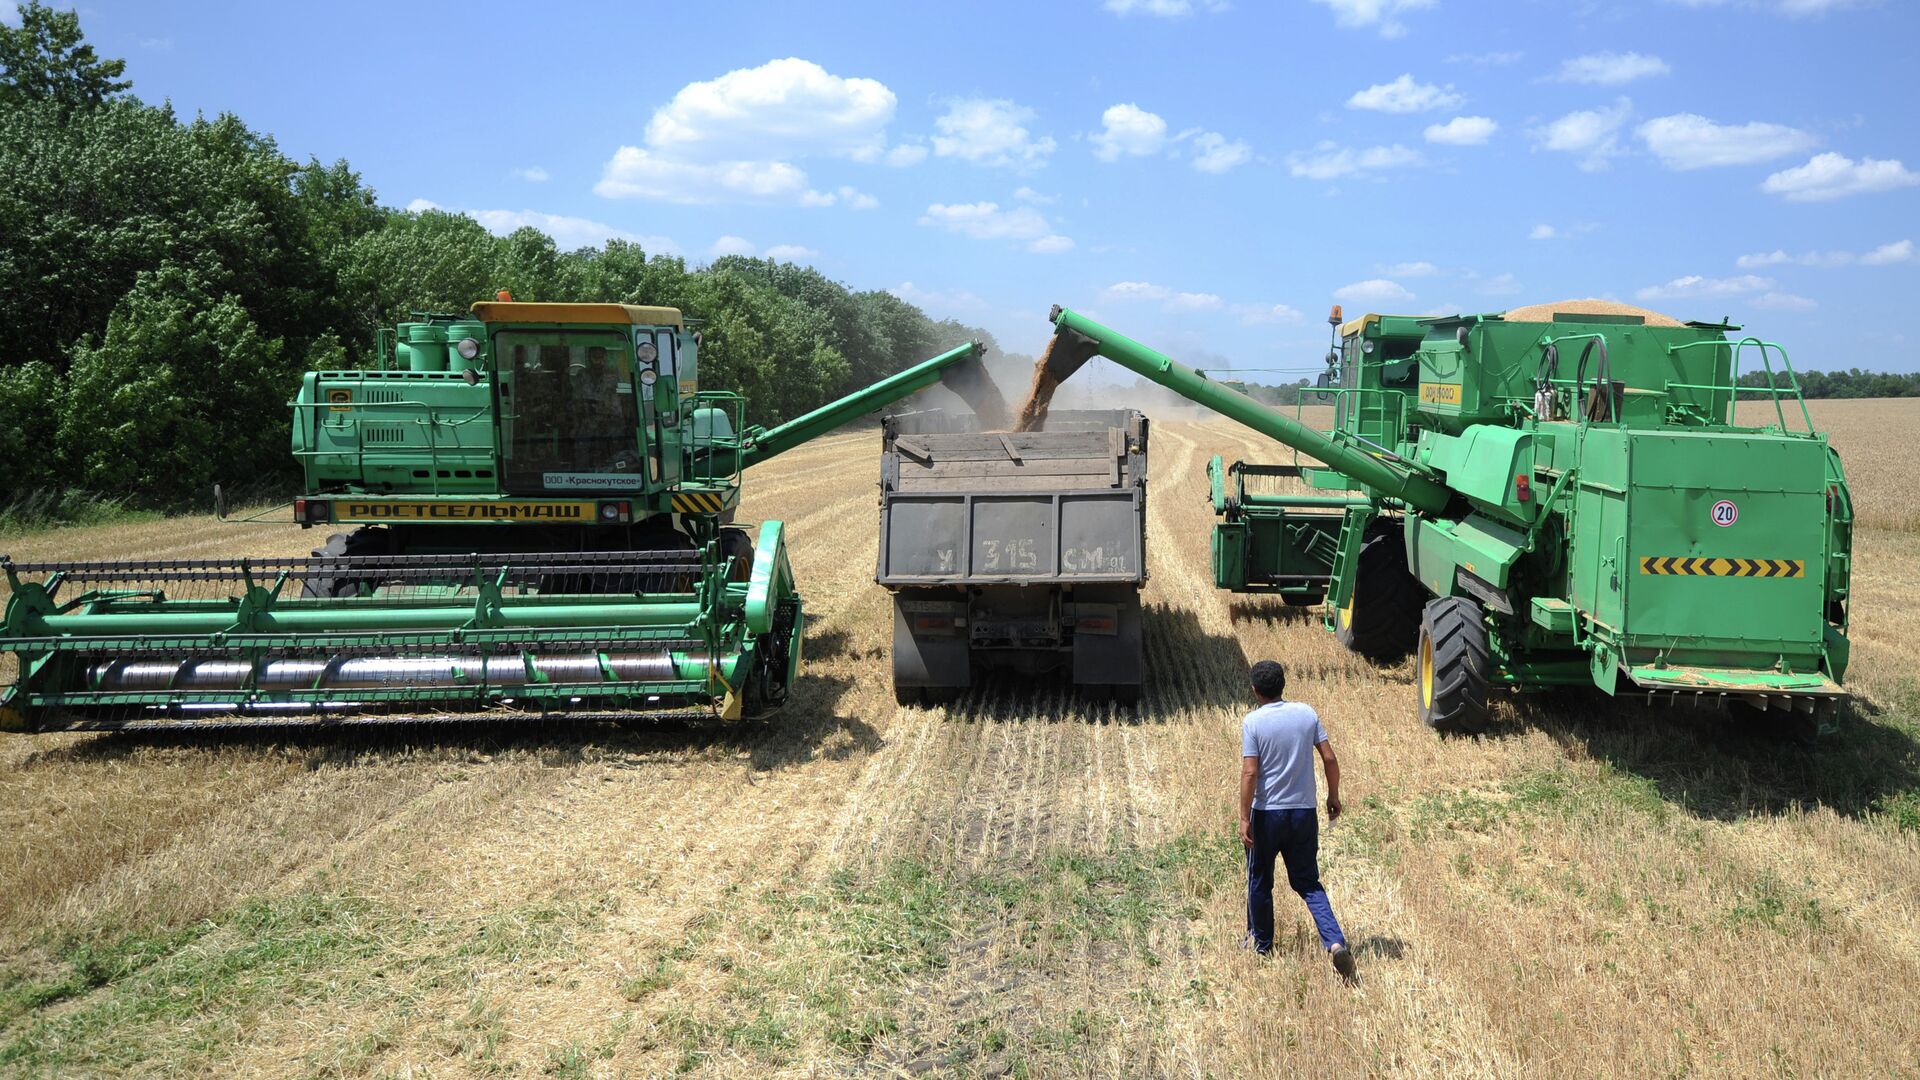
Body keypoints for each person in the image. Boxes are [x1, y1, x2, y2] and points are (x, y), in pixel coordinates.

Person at [1239, 659, 1354, 977]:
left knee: (1260, 880)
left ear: (1255, 691)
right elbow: (1329, 758)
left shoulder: (1253, 722)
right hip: (1303, 814)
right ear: (1282, 685)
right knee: (1308, 883)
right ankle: (1334, 943)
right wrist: (1333, 795)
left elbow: (1250, 772)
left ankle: (1261, 945)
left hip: (1267, 815)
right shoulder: (1307, 713)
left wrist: (1244, 818)